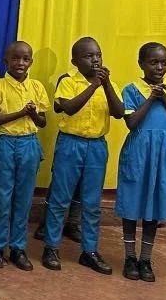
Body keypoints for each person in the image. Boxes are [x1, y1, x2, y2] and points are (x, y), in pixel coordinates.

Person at [41, 37, 123, 275]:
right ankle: (51, 246)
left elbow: (118, 113)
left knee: (91, 203)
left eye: (98, 54)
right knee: (60, 198)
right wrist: (93, 86)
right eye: (88, 56)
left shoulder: (110, 84)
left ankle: (90, 251)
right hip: (70, 144)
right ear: (75, 61)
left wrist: (106, 85)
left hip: (96, 146)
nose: (95, 59)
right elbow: (69, 108)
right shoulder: (68, 82)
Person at [117, 42, 166, 282]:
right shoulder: (131, 90)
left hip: (161, 155)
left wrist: (165, 99)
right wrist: (151, 97)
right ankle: (129, 256)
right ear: (141, 64)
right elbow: (131, 122)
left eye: (163, 63)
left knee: (153, 206)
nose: (159, 67)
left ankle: (145, 259)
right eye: (153, 62)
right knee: (132, 203)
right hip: (138, 152)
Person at [0, 42, 48, 270]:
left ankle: (18, 247)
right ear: (6, 61)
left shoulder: (37, 87)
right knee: (1, 198)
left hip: (29, 144)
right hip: (6, 144)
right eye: (16, 59)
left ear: (31, 62)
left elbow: (43, 121)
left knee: (24, 199)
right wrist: (20, 113)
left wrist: (33, 115)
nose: (21, 63)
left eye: (26, 59)